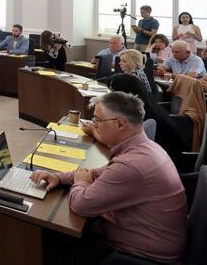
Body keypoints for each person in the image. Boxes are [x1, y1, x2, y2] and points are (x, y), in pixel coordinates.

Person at [29, 92, 187, 264]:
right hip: (143, 239)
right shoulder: (144, 147)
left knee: (44, 242)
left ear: (120, 124)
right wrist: (58, 177)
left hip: (137, 257)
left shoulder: (132, 165)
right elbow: (97, 173)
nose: (93, 124)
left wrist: (81, 183)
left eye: (97, 119)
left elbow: (81, 205)